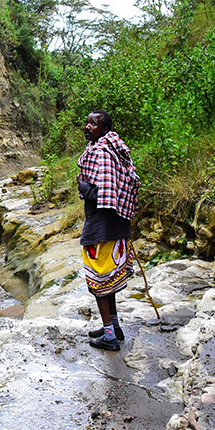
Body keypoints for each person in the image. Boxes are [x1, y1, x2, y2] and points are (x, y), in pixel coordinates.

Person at [76, 110, 140, 351]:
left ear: (104, 129)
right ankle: (113, 327)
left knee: (99, 283)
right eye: (87, 121)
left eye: (94, 123)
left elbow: (103, 195)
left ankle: (110, 337)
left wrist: (82, 185)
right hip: (116, 225)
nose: (88, 126)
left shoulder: (102, 153)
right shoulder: (112, 149)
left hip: (103, 227)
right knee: (107, 282)